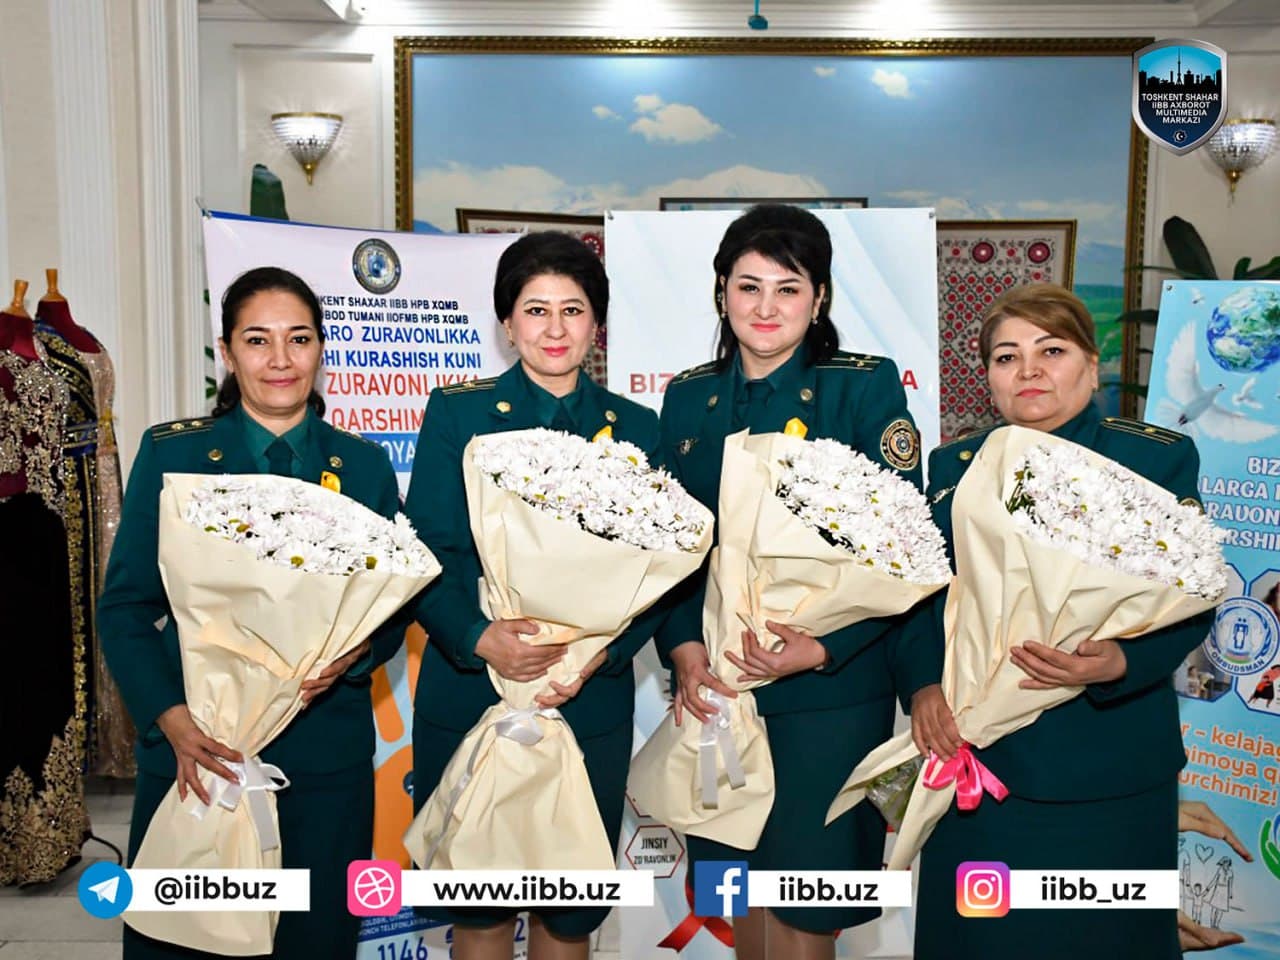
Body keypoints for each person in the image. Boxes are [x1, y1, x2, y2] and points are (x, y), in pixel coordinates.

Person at [98, 266, 407, 960]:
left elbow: (393, 612)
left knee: (315, 939)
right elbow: (124, 608)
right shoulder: (175, 455)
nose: (279, 360)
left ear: (321, 349)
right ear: (227, 352)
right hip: (196, 754)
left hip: (322, 759)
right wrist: (170, 719)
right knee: (186, 945)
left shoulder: (362, 468)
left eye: (298, 339)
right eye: (258, 340)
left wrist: (354, 653)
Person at [905, 283, 1215, 960]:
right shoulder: (954, 467)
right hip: (981, 768)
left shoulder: (1155, 459)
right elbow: (919, 601)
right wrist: (924, 688)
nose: (1030, 371)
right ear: (987, 377)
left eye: (1052, 350)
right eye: (1006, 357)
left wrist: (1122, 662)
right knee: (980, 944)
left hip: (1109, 761)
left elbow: (1194, 597)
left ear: (1091, 364)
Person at [655, 204, 923, 960]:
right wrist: (681, 649)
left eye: (788, 288)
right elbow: (668, 548)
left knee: (808, 908)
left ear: (820, 298)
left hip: (827, 695)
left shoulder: (861, 391)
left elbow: (905, 555)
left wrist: (825, 647)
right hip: (720, 688)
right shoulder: (688, 397)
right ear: (721, 294)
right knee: (738, 895)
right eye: (749, 288)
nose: (766, 308)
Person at [404, 232, 662, 960]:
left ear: (596, 325)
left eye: (573, 310)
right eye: (536, 310)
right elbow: (429, 549)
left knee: (569, 910)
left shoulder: (637, 430)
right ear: (507, 323)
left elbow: (665, 578)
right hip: (470, 690)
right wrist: (479, 637)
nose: (555, 329)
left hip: (586, 700)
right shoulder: (459, 414)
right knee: (479, 905)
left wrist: (599, 652)